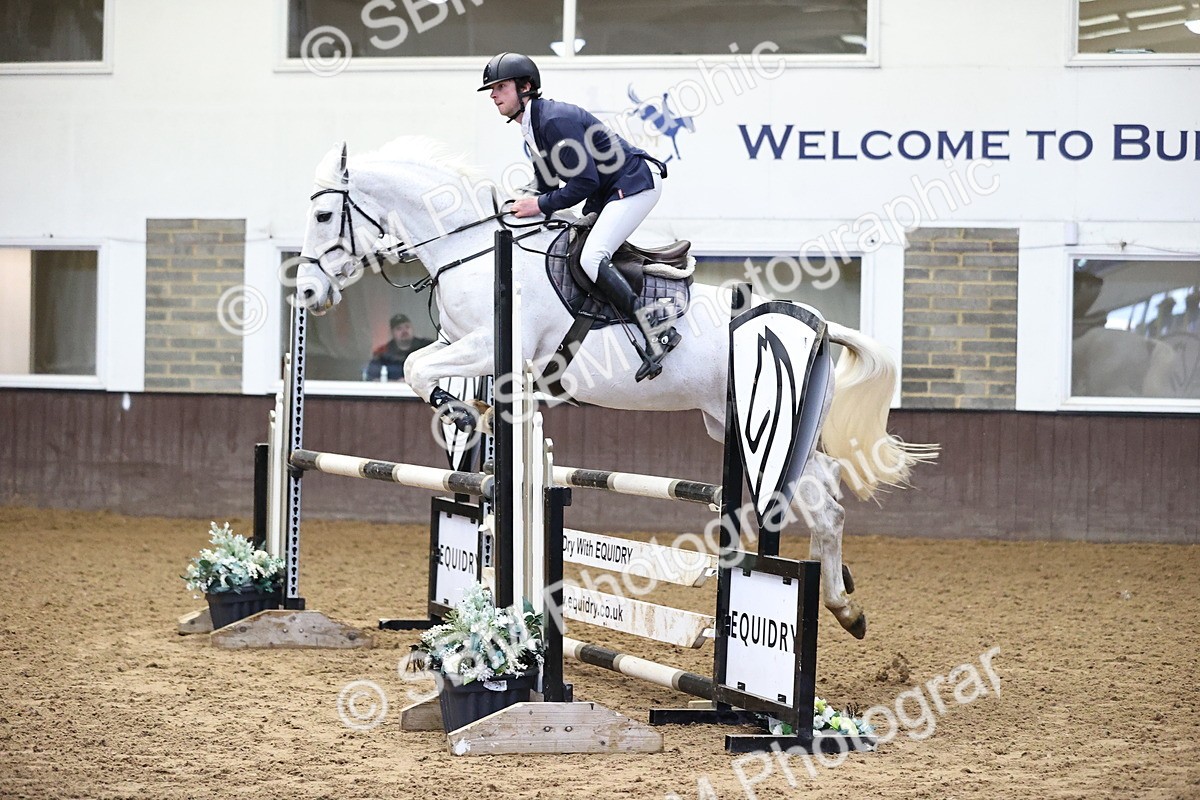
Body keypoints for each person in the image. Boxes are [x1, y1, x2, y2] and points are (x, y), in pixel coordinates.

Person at [479, 51, 681, 381]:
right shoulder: (533, 126)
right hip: (610, 190)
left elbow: (583, 181)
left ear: (525, 87)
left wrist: (539, 205)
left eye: (500, 86)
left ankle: (657, 330)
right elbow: (546, 184)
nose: (493, 95)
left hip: (634, 183)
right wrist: (517, 206)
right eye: (492, 88)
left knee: (591, 257)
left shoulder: (554, 120)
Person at [364, 313, 433, 381]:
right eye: (399, 328)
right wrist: (394, 383)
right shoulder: (382, 353)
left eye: (407, 327)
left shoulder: (426, 347)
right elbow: (372, 378)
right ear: (392, 332)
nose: (404, 331)